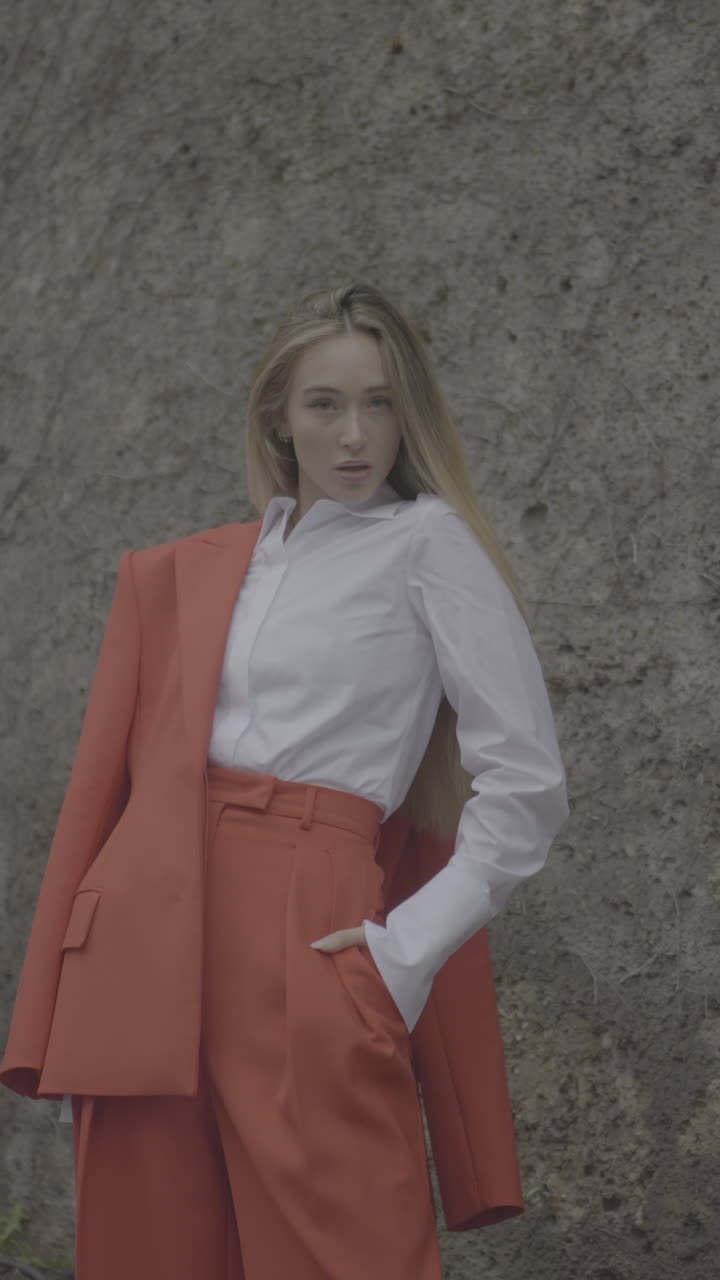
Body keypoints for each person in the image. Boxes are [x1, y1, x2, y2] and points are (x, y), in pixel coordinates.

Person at [0, 281, 570, 1279]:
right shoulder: (209, 566)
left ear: (410, 413)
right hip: (150, 924)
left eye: (382, 402)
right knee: (150, 1249)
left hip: (307, 918)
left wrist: (408, 950)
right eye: (325, 403)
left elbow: (527, 781)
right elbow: (118, 786)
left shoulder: (427, 542)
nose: (356, 432)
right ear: (279, 413)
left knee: (342, 1249)